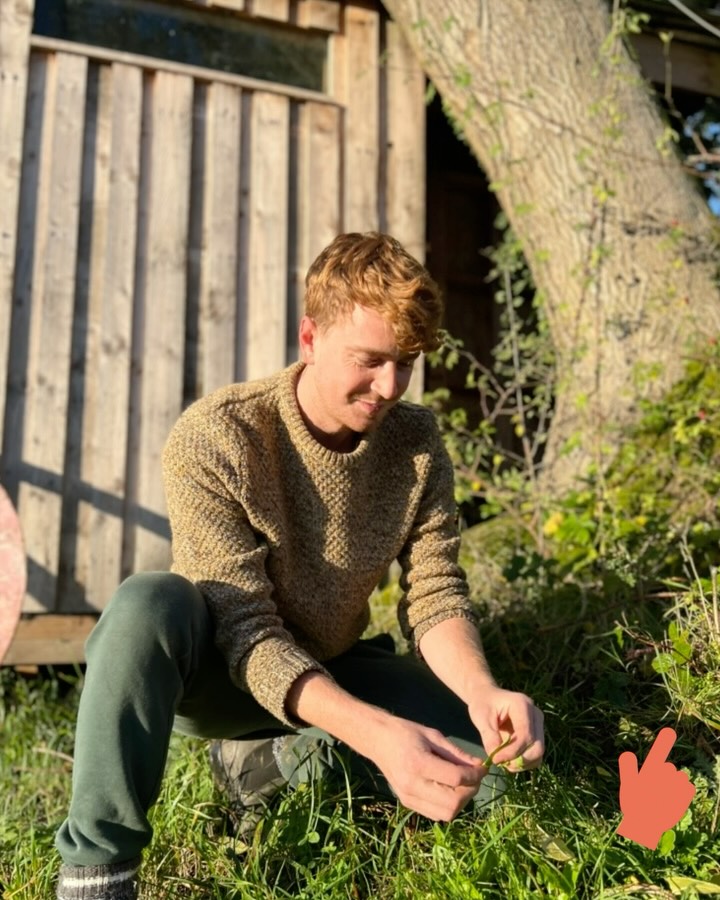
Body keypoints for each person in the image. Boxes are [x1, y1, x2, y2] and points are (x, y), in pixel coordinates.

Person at [55, 232, 544, 900]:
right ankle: (98, 868)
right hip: (224, 677)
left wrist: (481, 692)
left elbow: (434, 593)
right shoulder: (218, 435)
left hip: (337, 660)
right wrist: (379, 735)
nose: (390, 386)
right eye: (370, 360)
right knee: (148, 604)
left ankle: (285, 762)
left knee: (496, 775)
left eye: (406, 363)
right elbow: (245, 631)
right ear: (309, 338)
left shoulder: (415, 442)